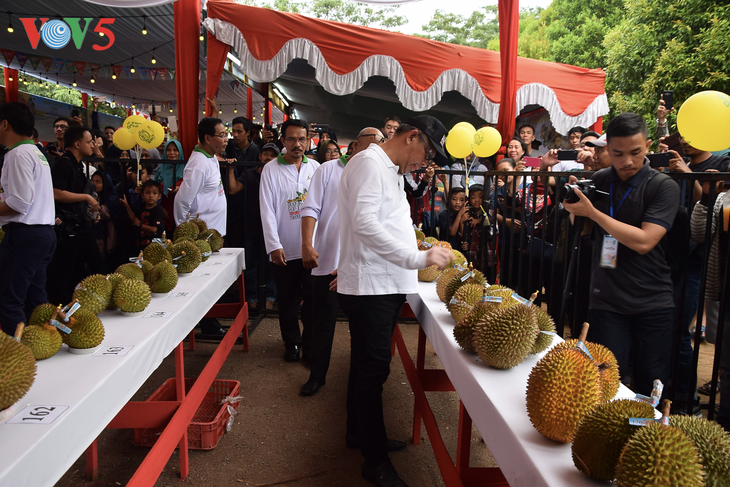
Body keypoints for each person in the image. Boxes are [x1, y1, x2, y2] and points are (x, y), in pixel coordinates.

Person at [337, 115, 453, 487]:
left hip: (383, 283)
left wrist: (417, 249)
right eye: (427, 152)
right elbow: (365, 224)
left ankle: (360, 432)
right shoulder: (369, 163)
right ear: (411, 136)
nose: (424, 162)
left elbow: (389, 222)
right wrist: (416, 259)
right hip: (373, 286)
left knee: (367, 367)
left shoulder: (388, 169)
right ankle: (374, 461)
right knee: (372, 372)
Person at [563, 112, 679, 398]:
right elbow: (586, 228)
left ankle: (646, 439)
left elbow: (644, 241)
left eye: (635, 152)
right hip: (607, 299)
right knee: (606, 378)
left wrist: (592, 211)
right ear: (607, 151)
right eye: (618, 154)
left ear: (648, 146)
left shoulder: (663, 187)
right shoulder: (602, 178)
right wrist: (575, 207)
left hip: (651, 300)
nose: (627, 161)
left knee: (651, 382)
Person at [299, 127, 385, 397]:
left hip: (361, 263)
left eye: (380, 145)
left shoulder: (381, 173)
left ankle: (358, 388)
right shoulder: (327, 169)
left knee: (362, 328)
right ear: (356, 145)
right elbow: (310, 207)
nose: (375, 151)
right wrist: (307, 243)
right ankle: (317, 375)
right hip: (328, 259)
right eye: (371, 145)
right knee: (322, 322)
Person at [259, 119, 320, 362]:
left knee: (313, 301)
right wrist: (274, 245)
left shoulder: (315, 168)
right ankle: (292, 343)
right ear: (283, 141)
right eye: (292, 139)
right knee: (287, 300)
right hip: (284, 249)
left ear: (308, 140)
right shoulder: (271, 169)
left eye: (302, 139)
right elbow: (267, 210)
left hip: (311, 249)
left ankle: (310, 342)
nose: (297, 144)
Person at [0, 102, 56, 336]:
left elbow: (20, 202)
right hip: (43, 235)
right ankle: (42, 348)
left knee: (9, 300)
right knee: (36, 302)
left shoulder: (17, 154)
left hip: (25, 236)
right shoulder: (36, 152)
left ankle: (19, 361)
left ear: (4, 124)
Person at [46, 124, 105, 304]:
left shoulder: (79, 165)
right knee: (63, 274)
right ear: (77, 144)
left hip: (80, 226)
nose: (92, 146)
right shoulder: (63, 164)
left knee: (92, 266)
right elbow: (56, 193)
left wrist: (91, 212)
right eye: (89, 142)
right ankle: (59, 310)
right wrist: (87, 197)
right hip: (67, 229)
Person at [690, 172, 729, 431]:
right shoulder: (722, 199)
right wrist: (706, 198)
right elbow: (698, 232)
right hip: (725, 291)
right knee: (727, 365)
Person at [227, 143, 279, 310]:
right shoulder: (249, 173)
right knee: (251, 264)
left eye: (272, 154)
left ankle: (270, 297)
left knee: (271, 264)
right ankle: (251, 298)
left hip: (273, 228)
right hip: (252, 225)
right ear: (260, 156)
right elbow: (233, 189)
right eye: (266, 154)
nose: (268, 157)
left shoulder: (278, 174)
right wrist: (230, 168)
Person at [173, 117, 227, 236]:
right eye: (222, 135)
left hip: (214, 233)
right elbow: (181, 201)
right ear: (207, 138)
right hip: (202, 236)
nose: (226, 139)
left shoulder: (211, 156)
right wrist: (185, 233)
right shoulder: (198, 164)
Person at [224, 116, 261, 248]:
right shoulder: (230, 147)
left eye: (239, 131)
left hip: (248, 198)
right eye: (233, 131)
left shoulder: (256, 151)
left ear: (247, 133)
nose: (235, 135)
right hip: (233, 199)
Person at [121, 179, 164, 248]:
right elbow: (134, 219)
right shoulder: (142, 206)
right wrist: (126, 205)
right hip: (142, 243)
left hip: (154, 245)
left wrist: (140, 224)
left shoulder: (158, 210)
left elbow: (154, 229)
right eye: (147, 192)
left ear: (159, 196)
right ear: (142, 195)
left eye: (154, 193)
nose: (151, 196)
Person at [156, 139, 186, 233]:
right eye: (168, 150)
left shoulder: (186, 169)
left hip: (182, 211)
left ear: (180, 151)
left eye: (175, 150)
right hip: (165, 210)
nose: (172, 152)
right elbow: (154, 189)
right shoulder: (161, 169)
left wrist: (182, 189)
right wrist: (159, 208)